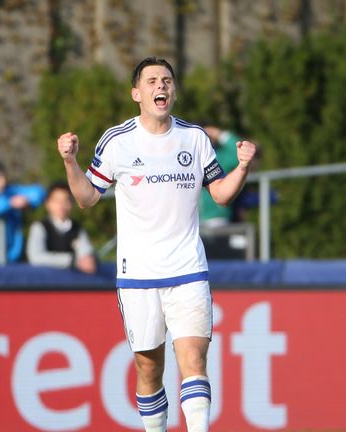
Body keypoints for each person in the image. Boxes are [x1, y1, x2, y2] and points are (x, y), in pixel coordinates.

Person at [56, 56, 256, 432]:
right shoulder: (117, 141)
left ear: (173, 91)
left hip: (188, 269)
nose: (160, 86)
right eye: (151, 81)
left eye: (166, 80)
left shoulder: (194, 138)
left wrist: (242, 168)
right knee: (149, 369)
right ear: (137, 93)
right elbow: (86, 198)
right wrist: (70, 162)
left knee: (193, 359)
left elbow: (222, 194)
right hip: (139, 275)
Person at [0, 157, 45, 264]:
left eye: (3, 176)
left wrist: (26, 201)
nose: (2, 181)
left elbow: (38, 192)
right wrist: (10, 203)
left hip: (13, 255)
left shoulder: (9, 192)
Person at [26, 181, 97, 273]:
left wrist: (87, 258)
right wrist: (71, 260)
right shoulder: (39, 227)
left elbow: (86, 252)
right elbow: (35, 257)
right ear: (47, 203)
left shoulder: (77, 229)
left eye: (66, 200)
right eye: (57, 200)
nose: (61, 205)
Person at [199, 126, 240, 228]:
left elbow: (239, 152)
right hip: (191, 222)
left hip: (217, 219)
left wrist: (219, 134)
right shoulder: (187, 156)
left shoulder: (218, 157)